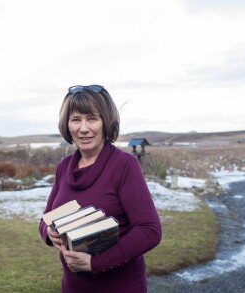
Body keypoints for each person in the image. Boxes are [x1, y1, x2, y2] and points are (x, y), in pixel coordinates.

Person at [39, 85, 162, 292]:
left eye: (92, 119)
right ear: (67, 124)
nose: (83, 128)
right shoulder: (64, 166)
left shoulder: (124, 165)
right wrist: (49, 233)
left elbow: (149, 230)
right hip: (73, 287)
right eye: (76, 119)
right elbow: (46, 219)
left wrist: (95, 263)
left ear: (106, 121)